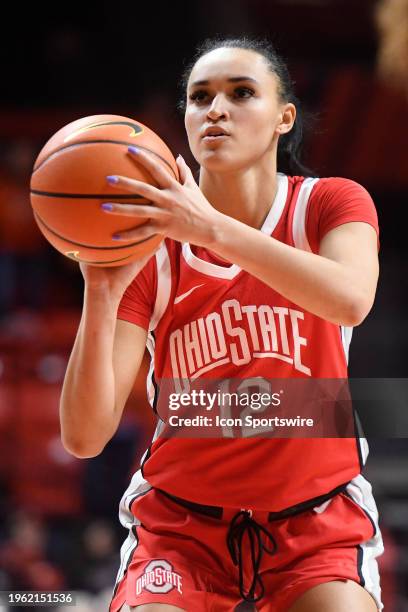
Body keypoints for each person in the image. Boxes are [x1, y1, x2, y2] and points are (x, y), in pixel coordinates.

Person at [60, 37, 384, 612]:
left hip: (315, 523)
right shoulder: (150, 253)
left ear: (284, 116)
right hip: (182, 529)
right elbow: (85, 438)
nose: (216, 109)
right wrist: (100, 290)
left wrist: (211, 230)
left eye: (241, 93)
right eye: (199, 97)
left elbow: (351, 299)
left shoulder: (330, 204)